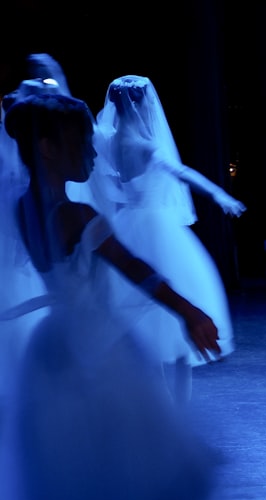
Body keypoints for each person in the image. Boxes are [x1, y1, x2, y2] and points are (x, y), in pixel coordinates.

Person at [0, 92, 221, 500]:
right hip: (102, 358)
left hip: (57, 357)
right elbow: (139, 270)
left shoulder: (24, 205)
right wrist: (189, 311)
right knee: (189, 483)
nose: (94, 158)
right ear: (48, 147)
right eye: (81, 146)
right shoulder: (75, 214)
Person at [92, 74, 244, 403]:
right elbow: (183, 172)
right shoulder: (145, 146)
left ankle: (160, 405)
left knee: (146, 322)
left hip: (127, 225)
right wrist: (220, 195)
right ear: (143, 103)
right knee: (173, 330)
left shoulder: (108, 141)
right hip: (158, 230)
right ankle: (177, 411)